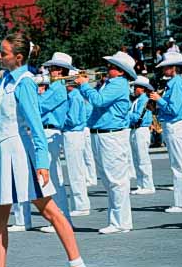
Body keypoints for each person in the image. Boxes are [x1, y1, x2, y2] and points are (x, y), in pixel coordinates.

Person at [0, 33, 86, 267]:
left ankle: (77, 263)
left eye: (3, 53)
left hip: (20, 154)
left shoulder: (25, 82)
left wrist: (41, 161)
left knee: (49, 211)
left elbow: (35, 124)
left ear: (18, 57)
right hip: (2, 155)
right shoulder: (6, 80)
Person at [75, 51, 136, 234]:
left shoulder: (118, 84)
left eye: (112, 66)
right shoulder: (110, 83)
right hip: (102, 134)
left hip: (111, 136)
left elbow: (99, 101)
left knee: (116, 180)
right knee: (110, 180)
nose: (108, 68)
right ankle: (117, 221)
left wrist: (85, 86)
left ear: (121, 72)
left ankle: (120, 222)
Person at [36, 52, 74, 233]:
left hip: (50, 130)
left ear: (63, 71)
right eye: (52, 68)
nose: (52, 71)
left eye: (57, 69)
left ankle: (62, 219)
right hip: (47, 130)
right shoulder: (54, 86)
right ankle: (61, 219)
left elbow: (40, 105)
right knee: (51, 176)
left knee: (52, 176)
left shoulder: (58, 88)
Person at [150, 52, 182, 213]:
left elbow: (174, 108)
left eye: (166, 67)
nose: (163, 70)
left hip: (175, 124)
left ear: (173, 68)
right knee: (178, 163)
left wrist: (158, 100)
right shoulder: (175, 83)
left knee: (178, 164)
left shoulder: (176, 83)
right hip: (173, 124)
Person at [62, 70, 91, 216]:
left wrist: (59, 119)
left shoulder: (73, 96)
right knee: (76, 170)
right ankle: (80, 204)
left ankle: (81, 206)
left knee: (75, 171)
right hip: (74, 133)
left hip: (72, 133)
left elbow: (72, 119)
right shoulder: (74, 96)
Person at [129, 76, 155, 195]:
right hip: (135, 130)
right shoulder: (137, 100)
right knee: (136, 158)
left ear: (143, 89)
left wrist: (124, 114)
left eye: (136, 87)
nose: (134, 89)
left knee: (143, 159)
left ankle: (148, 185)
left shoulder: (144, 100)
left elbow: (137, 116)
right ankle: (140, 184)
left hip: (141, 130)